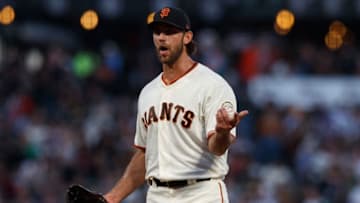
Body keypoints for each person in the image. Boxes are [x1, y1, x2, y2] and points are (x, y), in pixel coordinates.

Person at [104, 6, 249, 203]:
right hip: (157, 195)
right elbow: (145, 155)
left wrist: (223, 132)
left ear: (187, 37)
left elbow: (217, 148)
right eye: (157, 32)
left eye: (170, 32)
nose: (161, 38)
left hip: (201, 193)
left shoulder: (212, 85)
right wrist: (112, 197)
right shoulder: (148, 92)